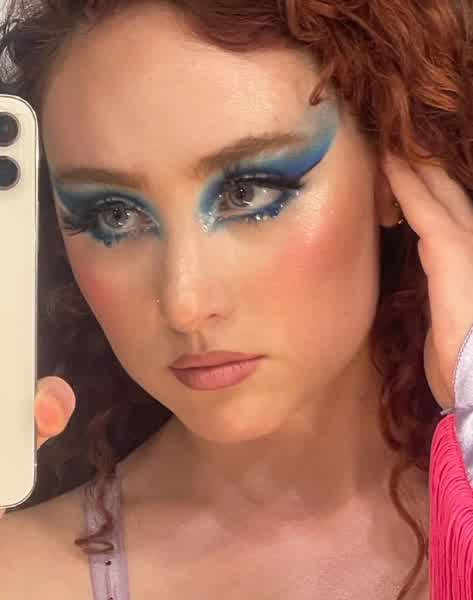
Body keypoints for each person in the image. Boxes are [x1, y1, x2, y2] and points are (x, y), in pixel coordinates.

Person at [0, 0, 472, 598]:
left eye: (247, 193)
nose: (185, 303)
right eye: (114, 215)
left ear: (391, 173)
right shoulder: (23, 575)